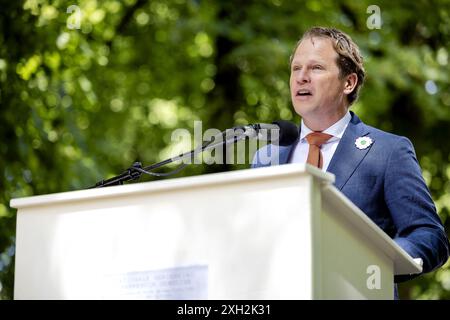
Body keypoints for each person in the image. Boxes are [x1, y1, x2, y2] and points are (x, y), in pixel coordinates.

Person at [252, 27, 449, 298]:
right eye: (296, 68)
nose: (301, 77)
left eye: (316, 68)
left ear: (349, 83)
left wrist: (372, 260)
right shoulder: (266, 159)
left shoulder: (388, 151)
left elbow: (429, 236)